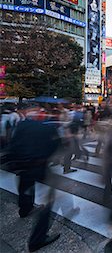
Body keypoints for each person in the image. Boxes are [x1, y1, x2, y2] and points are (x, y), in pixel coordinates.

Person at [6, 103, 62, 251]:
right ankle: (37, 238)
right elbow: (56, 144)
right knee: (49, 198)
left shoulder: (22, 125)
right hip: (39, 165)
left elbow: (13, 144)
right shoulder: (46, 126)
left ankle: (24, 208)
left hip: (23, 165)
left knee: (25, 184)